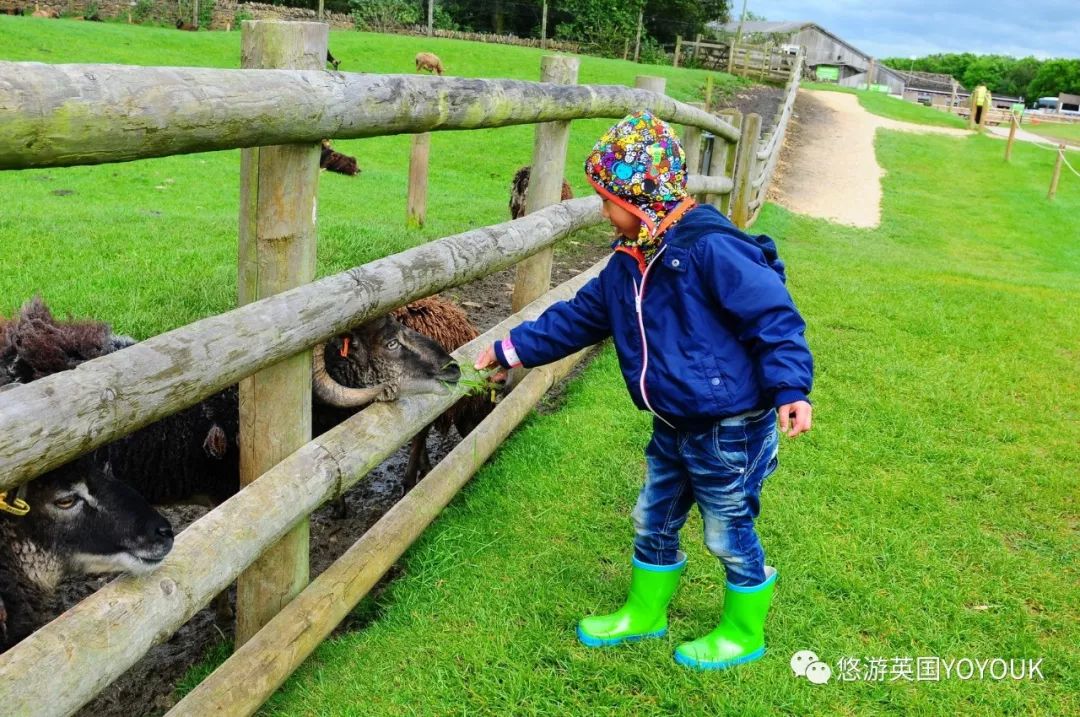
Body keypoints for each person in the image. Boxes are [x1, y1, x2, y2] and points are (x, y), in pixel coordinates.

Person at [475, 111, 813, 670]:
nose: (604, 212)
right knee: (652, 518)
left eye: (610, 201)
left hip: (730, 427)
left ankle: (743, 629)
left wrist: (791, 388)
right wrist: (511, 350)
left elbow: (774, 319)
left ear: (643, 199)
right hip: (674, 425)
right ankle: (645, 611)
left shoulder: (711, 251)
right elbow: (579, 319)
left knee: (727, 528)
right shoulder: (627, 262)